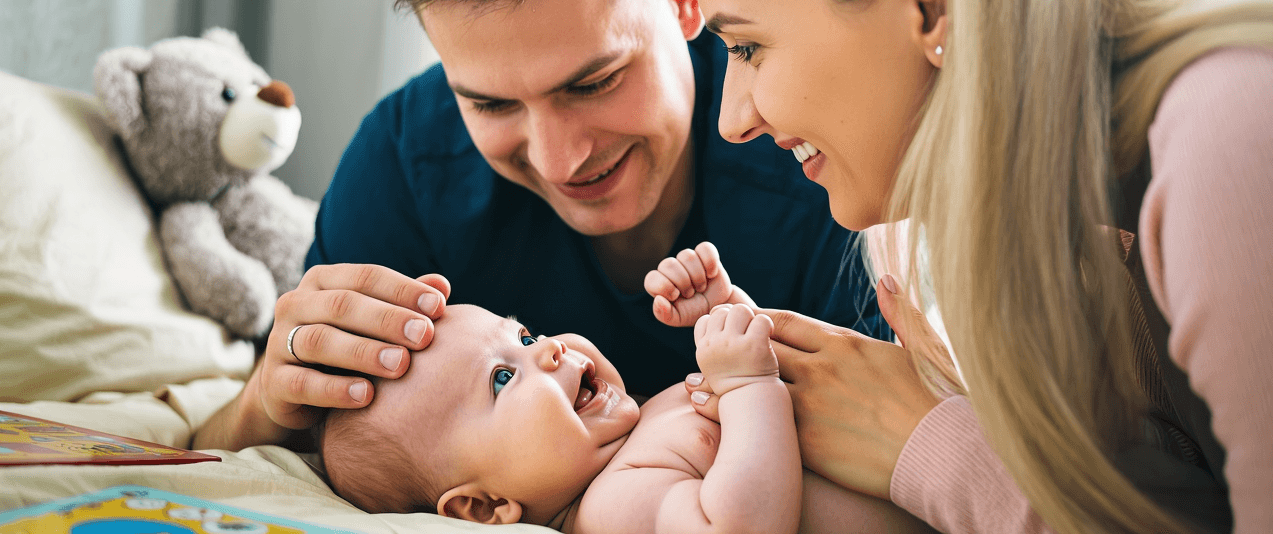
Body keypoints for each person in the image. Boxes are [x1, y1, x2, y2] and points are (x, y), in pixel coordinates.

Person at [646, 0, 1273, 533]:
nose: (731, 121)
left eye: (748, 46)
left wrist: (929, 443)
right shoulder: (1065, 228)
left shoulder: (1241, 144)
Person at [190, 0, 887, 453]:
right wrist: (262, 401)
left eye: (593, 82)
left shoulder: (816, 155)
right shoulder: (408, 162)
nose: (560, 158)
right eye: (490, 102)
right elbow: (243, 449)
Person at [319, 243, 923, 533]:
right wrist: (747, 383)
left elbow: (778, 425)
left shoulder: (634, 441)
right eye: (503, 378)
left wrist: (731, 318)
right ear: (483, 508)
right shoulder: (613, 509)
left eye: (524, 335)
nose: (548, 349)